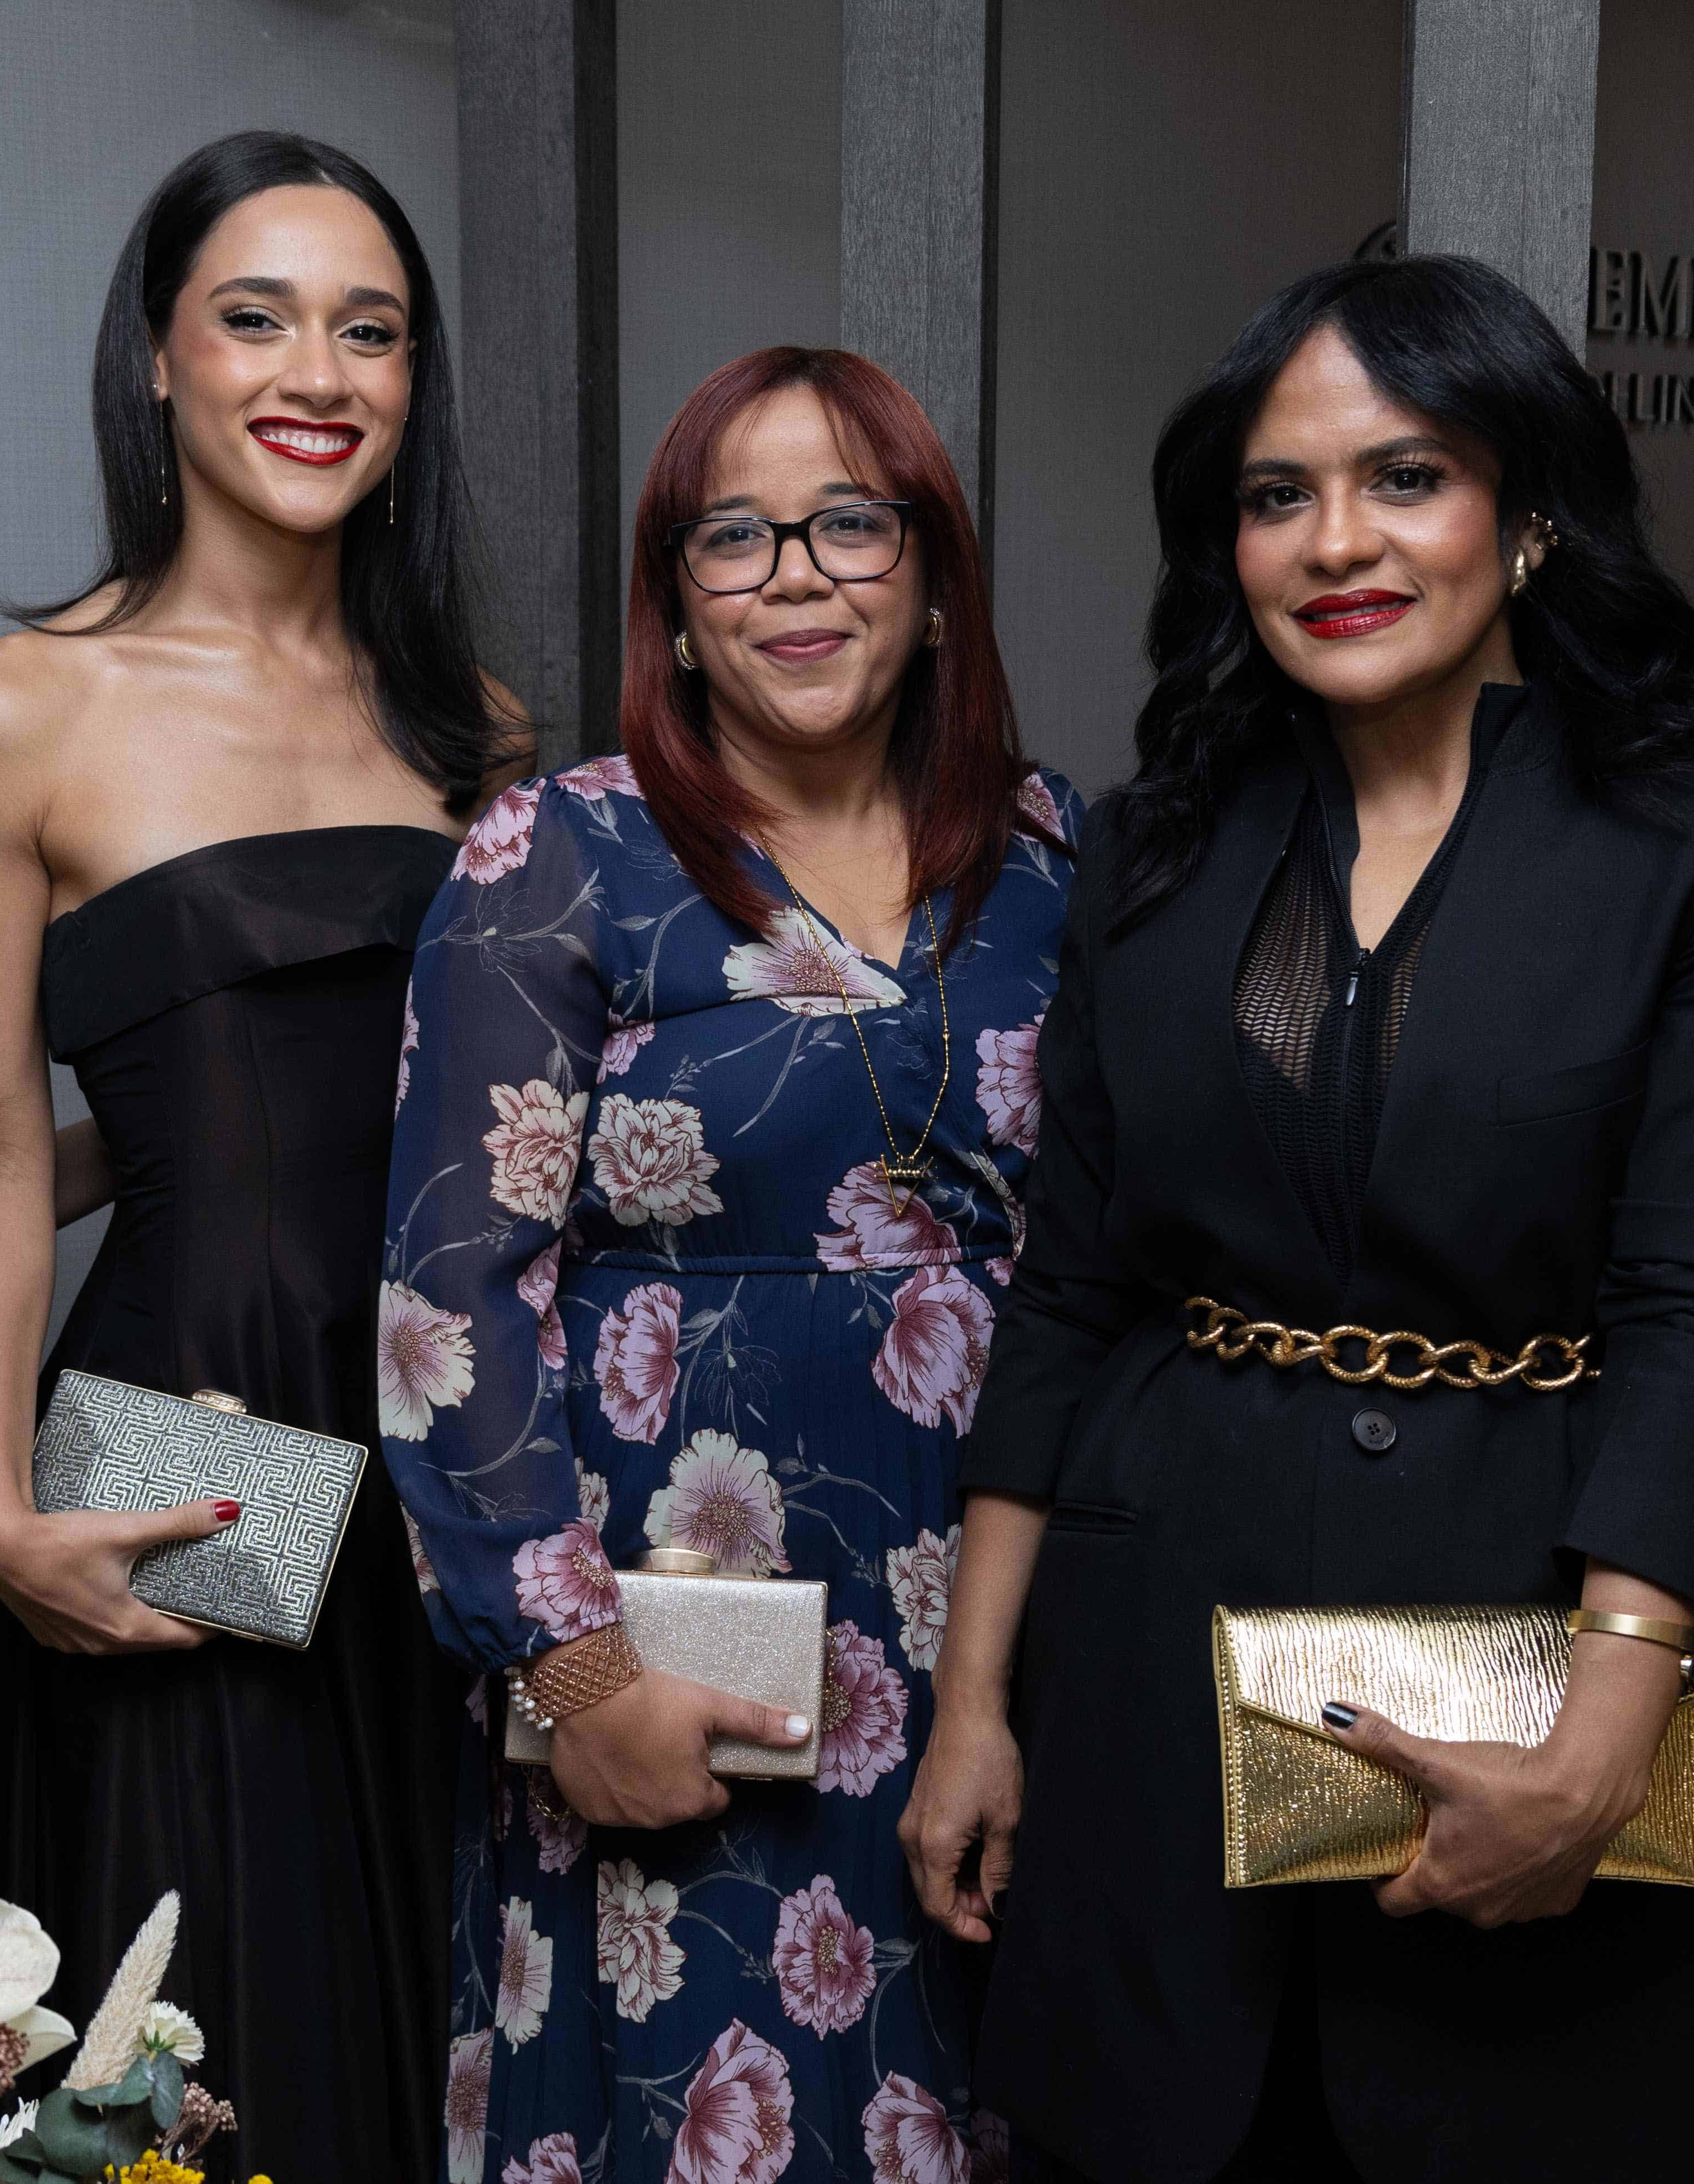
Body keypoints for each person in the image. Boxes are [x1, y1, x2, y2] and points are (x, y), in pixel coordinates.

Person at [902, 255, 1694, 2183]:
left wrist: (1603, 1737)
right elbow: (1073, 1281)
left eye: (1404, 476)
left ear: (1526, 515)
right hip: (1153, 1672)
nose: (1334, 542)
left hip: (1552, 1647)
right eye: (1278, 496)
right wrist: (969, 1705)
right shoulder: (1153, 842)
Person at [378, 345, 1077, 2184]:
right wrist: (577, 1680)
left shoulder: (1050, 858)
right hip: (673, 1648)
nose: (794, 574)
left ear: (931, 583)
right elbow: (448, 1308)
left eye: (852, 523)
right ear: (674, 609)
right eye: (733, 536)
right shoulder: (564, 851)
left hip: (999, 1634)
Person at [0, 132, 518, 2184]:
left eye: (371, 330)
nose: (316, 370)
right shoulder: (18, 712)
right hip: (203, 1453)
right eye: (254, 316)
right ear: (157, 360)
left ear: (416, 384)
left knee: (446, 2018)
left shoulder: (475, 728)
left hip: (460, 1466)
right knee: (209, 2052)